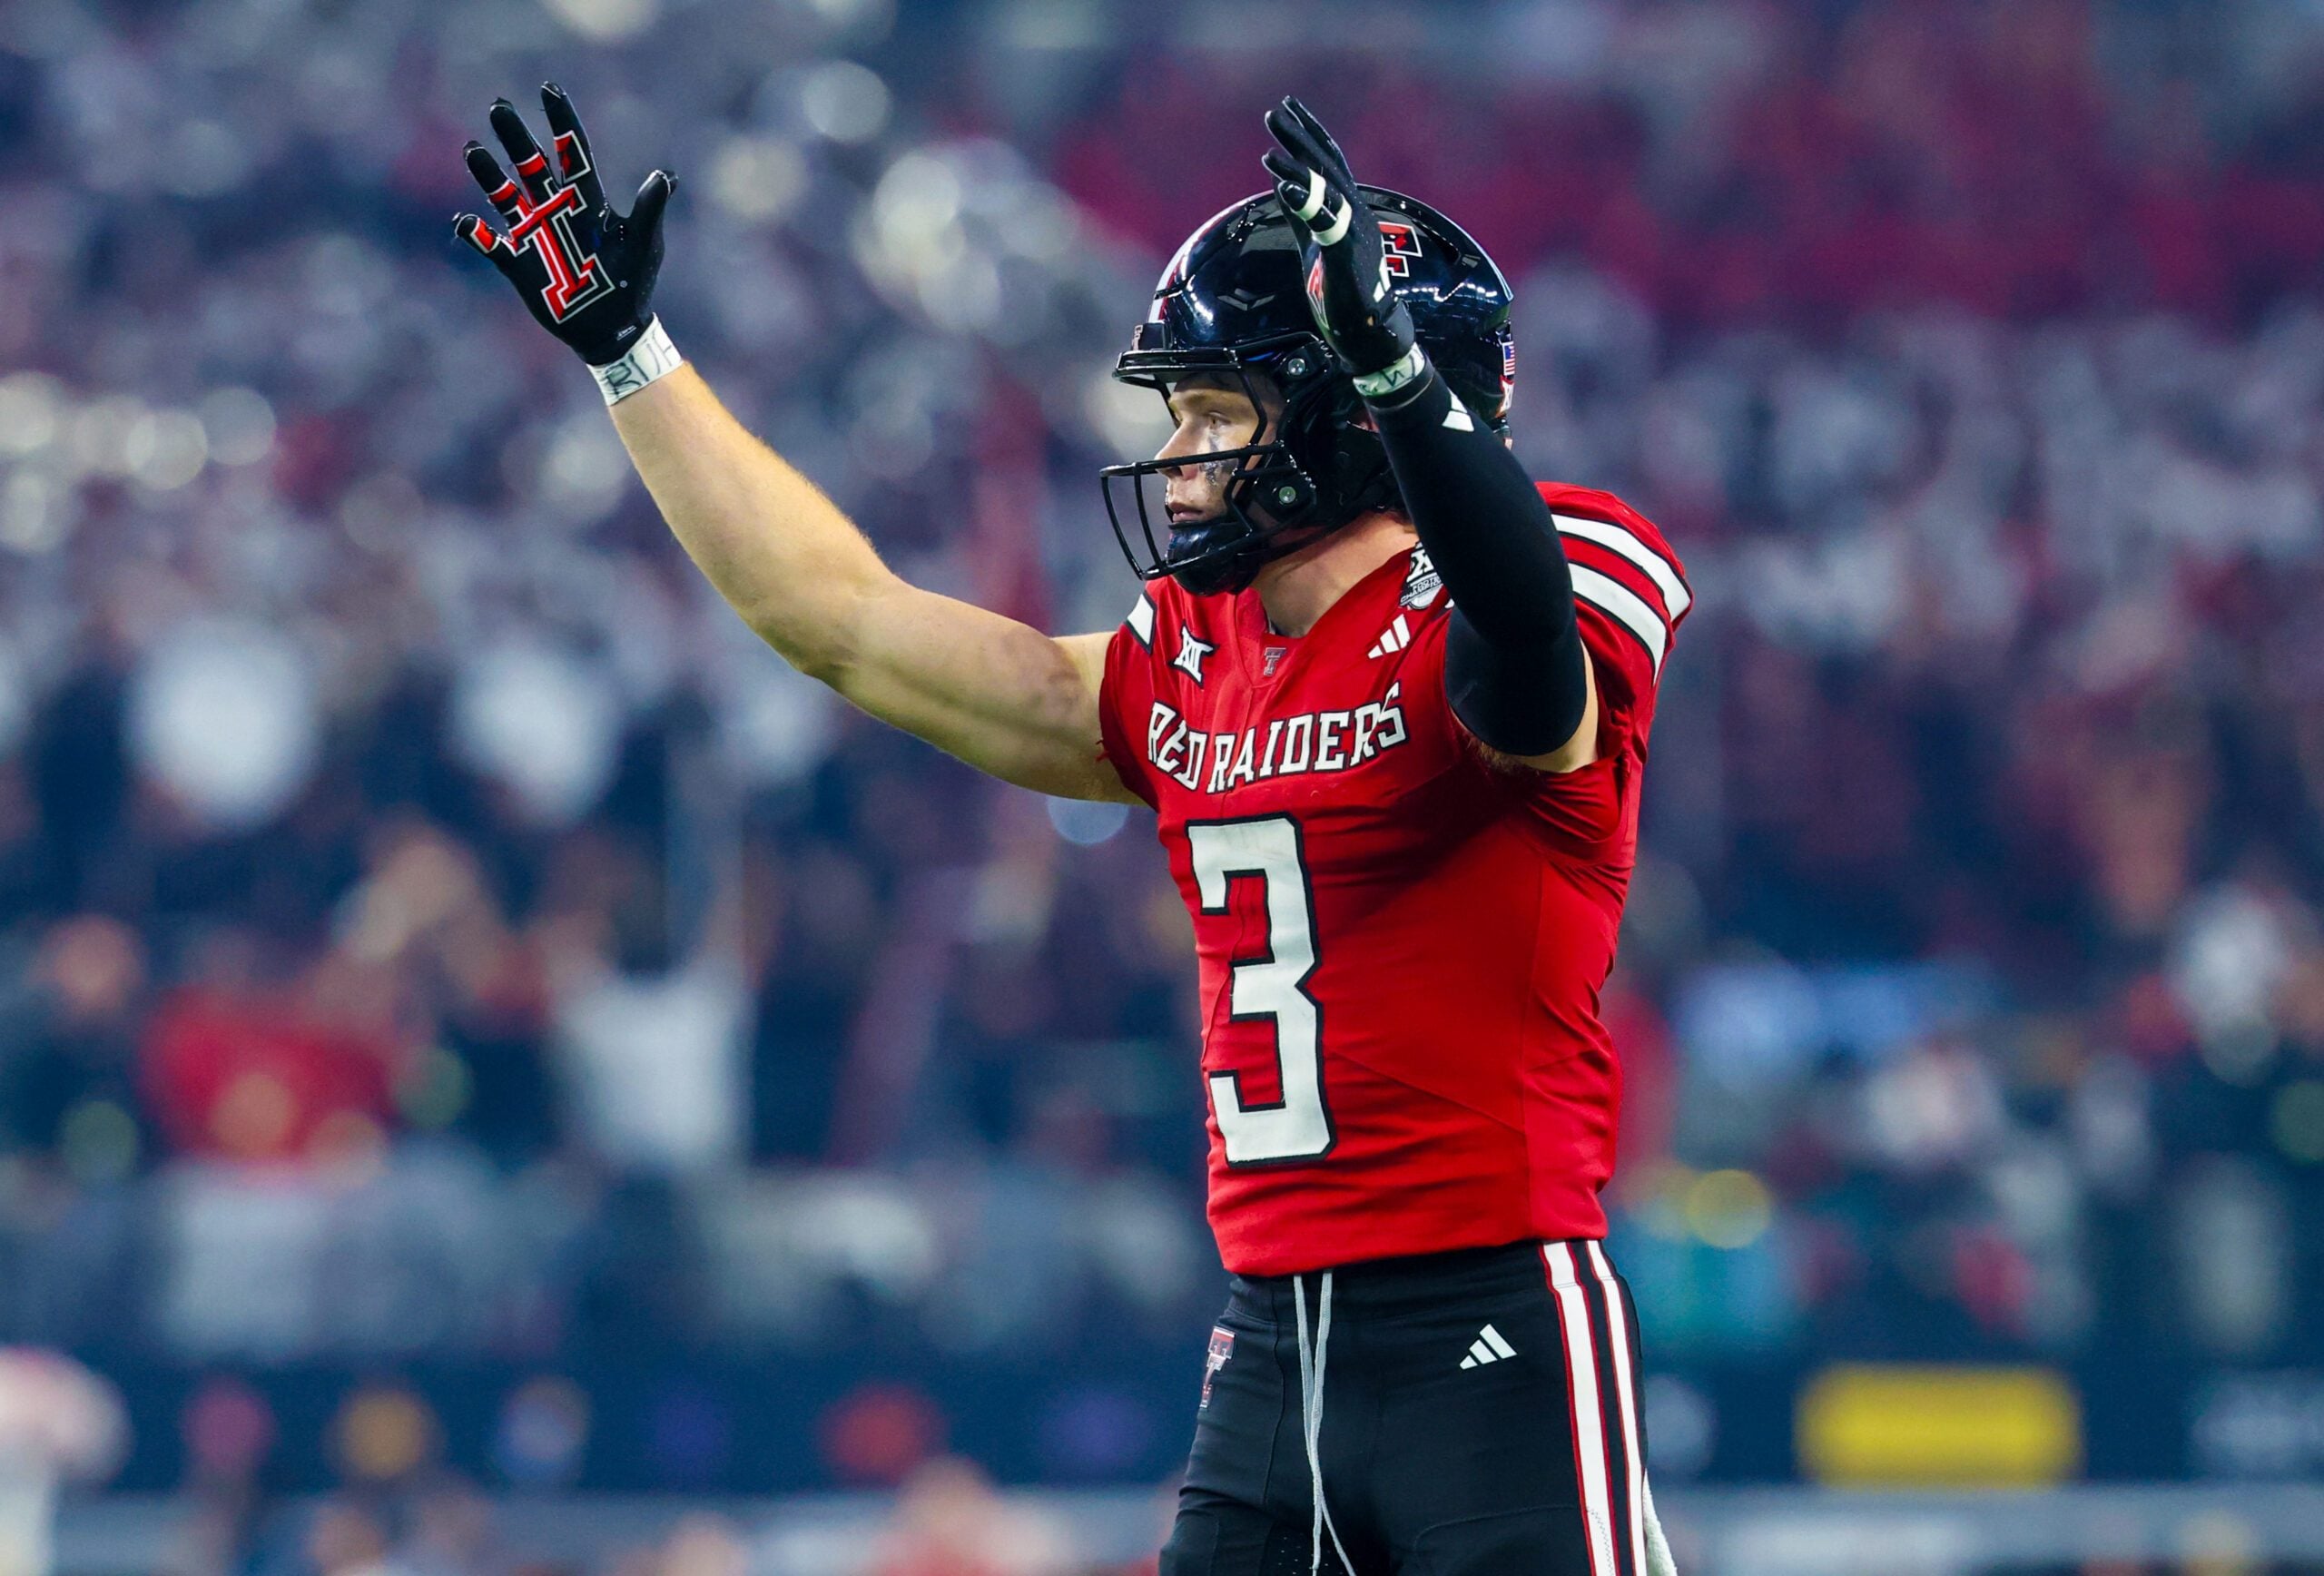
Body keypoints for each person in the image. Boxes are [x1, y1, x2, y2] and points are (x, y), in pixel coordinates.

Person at [456, 87, 1687, 1576]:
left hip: (1489, 1320)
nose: (1178, 455)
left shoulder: (1552, 568)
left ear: (1350, 415)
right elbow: (848, 626)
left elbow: (1532, 677)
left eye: (1217, 409)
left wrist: (1391, 368)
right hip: (1266, 1335)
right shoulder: (1185, 656)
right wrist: (629, 359)